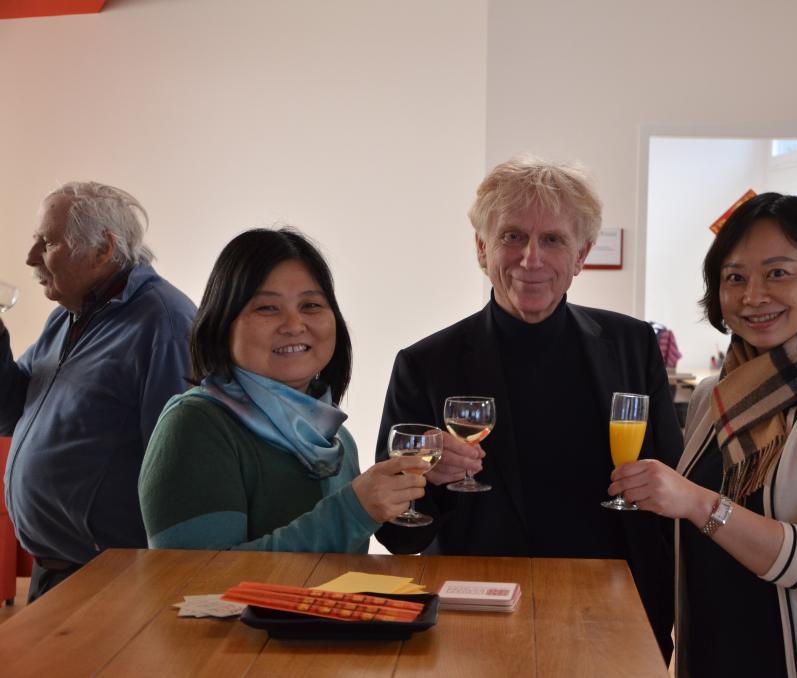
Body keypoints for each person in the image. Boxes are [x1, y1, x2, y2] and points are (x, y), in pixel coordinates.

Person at [375, 155, 683, 660]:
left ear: (582, 254)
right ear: (482, 248)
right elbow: (397, 535)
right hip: (477, 618)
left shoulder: (632, 345)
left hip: (617, 611)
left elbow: (671, 487)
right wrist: (426, 479)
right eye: (512, 236)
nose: (530, 258)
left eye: (553, 239)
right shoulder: (425, 364)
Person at [610, 192, 797, 677]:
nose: (753, 296)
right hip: (713, 658)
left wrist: (697, 503)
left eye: (778, 273)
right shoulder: (716, 395)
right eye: (735, 278)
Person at [139, 228, 427, 552]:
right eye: (267, 308)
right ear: (222, 323)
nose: (294, 325)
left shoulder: (337, 440)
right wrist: (351, 512)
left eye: (311, 305)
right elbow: (195, 576)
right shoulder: (196, 425)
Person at [0, 181, 196, 601]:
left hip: (112, 583)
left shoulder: (165, 324)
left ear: (103, 249)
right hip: (54, 571)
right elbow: (11, 412)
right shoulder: (67, 316)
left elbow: (179, 468)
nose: (31, 257)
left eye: (47, 243)